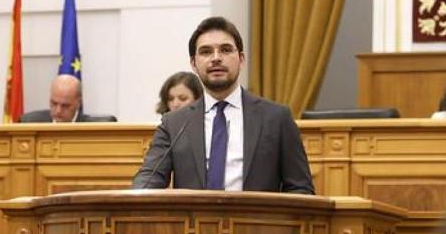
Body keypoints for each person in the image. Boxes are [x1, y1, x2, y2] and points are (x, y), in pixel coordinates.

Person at [132, 16, 314, 194]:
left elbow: (300, 188)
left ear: (241, 59)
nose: (216, 58)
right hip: (193, 223)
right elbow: (149, 178)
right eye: (205, 52)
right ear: (193, 64)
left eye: (226, 50)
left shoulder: (276, 117)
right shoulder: (174, 123)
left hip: (256, 223)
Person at [19, 74, 117, 123]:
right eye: (54, 103)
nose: (58, 111)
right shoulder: (29, 122)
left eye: (65, 106)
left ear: (78, 103)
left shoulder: (96, 130)